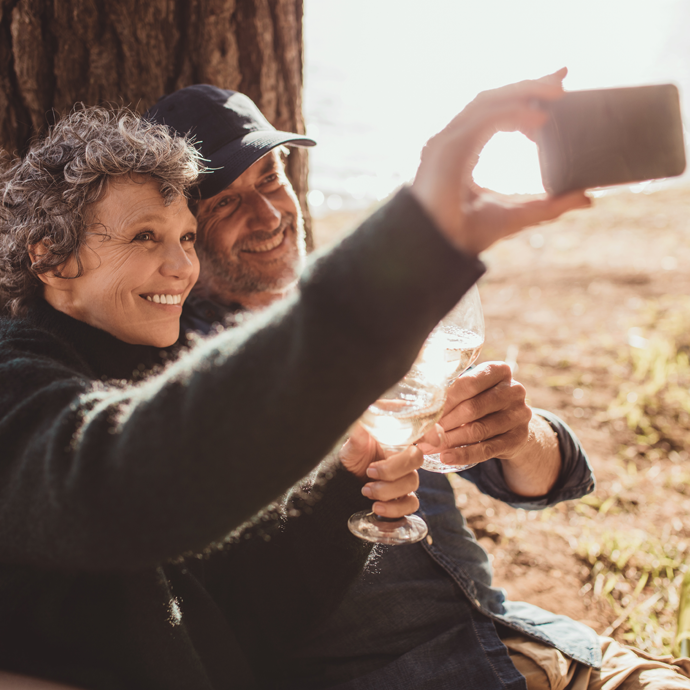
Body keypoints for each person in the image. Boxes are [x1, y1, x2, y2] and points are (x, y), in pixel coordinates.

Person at [0, 78, 587, 690]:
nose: (179, 265)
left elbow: (244, 617)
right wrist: (415, 241)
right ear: (52, 258)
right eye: (145, 236)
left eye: (183, 238)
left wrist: (345, 483)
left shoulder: (131, 367)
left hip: (527, 639)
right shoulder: (34, 382)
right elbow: (118, 482)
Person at [148, 80, 690, 690]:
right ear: (184, 229)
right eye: (226, 203)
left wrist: (517, 435)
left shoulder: (372, 303)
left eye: (272, 179)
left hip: (539, 646)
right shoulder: (181, 375)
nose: (269, 214)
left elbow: (552, 481)